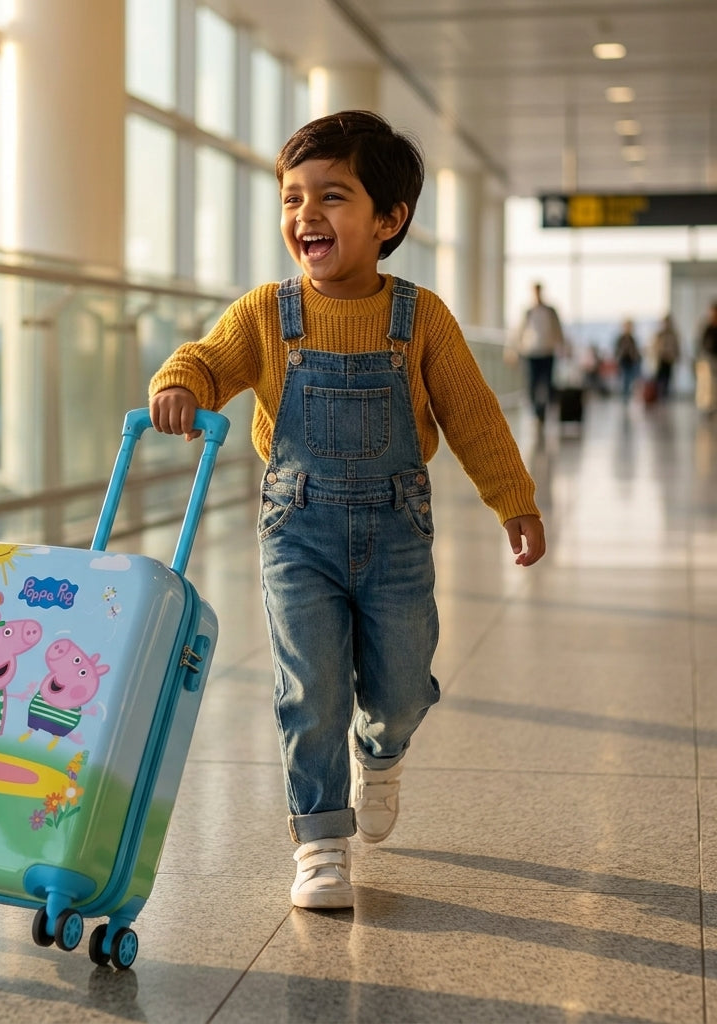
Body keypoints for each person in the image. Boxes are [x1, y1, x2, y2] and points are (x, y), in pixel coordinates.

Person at [148, 110, 546, 911]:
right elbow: (207, 357)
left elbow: (473, 416)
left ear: (389, 220)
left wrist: (515, 501)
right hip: (297, 530)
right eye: (293, 198)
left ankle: (383, 749)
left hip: (398, 530)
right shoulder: (268, 312)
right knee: (311, 686)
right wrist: (181, 383)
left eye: (333, 196)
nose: (307, 216)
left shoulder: (420, 317)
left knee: (399, 685)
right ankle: (322, 841)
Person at [514, 282, 565, 427]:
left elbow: (557, 328)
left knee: (547, 383)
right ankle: (536, 412)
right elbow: (519, 331)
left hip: (547, 351)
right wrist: (514, 350)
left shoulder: (550, 311)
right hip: (531, 352)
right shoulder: (528, 311)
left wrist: (561, 345)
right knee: (532, 384)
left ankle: (542, 411)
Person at [650, 314, 680, 401]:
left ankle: (665, 396)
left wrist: (676, 356)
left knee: (667, 379)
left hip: (669, 360)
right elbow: (654, 346)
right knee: (658, 379)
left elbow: (676, 347)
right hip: (660, 360)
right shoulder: (659, 334)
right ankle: (657, 396)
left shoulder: (673, 334)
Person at [613, 319, 642, 402]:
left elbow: (635, 351)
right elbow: (617, 351)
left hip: (632, 362)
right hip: (624, 362)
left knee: (631, 380)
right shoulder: (621, 339)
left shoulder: (632, 339)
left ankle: (628, 396)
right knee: (625, 380)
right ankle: (625, 397)